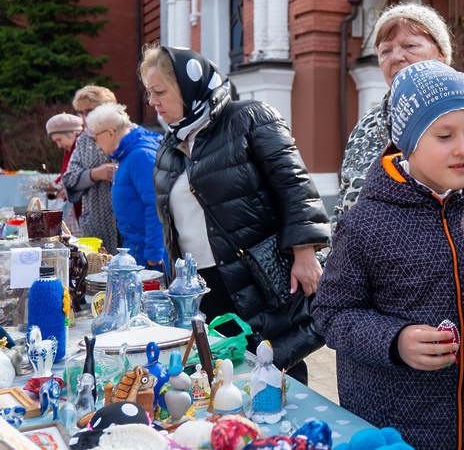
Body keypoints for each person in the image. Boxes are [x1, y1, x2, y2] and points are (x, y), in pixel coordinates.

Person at [313, 60, 464, 450]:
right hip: (395, 428)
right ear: (409, 140)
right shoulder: (367, 222)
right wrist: (394, 340)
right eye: (444, 135)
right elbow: (330, 313)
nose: (463, 149)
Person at [140, 44, 329, 383]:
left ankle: (288, 434)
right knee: (218, 373)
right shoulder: (169, 147)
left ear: (187, 86)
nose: (152, 101)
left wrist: (305, 254)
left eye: (159, 91)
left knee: (276, 367)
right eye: (149, 93)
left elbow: (295, 186)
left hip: (257, 274)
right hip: (202, 287)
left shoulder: (249, 118)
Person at [333, 2, 464, 231]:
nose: (396, 57)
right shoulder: (368, 125)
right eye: (385, 51)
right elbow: (343, 208)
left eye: (409, 45)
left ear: (441, 55)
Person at [85, 103, 168, 273]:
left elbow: (156, 205)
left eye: (96, 138)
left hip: (146, 252)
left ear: (110, 133)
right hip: (137, 247)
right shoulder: (128, 155)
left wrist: (153, 253)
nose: (96, 144)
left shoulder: (139, 156)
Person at [62, 86, 122, 254]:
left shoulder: (126, 133)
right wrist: (95, 174)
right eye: (80, 113)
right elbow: (68, 179)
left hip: (126, 221)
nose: (84, 117)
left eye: (88, 111)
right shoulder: (83, 141)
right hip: (96, 222)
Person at [44, 112, 83, 215]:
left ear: (72, 132)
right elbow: (65, 173)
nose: (59, 145)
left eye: (59, 140)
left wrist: (70, 189)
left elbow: (89, 177)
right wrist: (54, 186)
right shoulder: (69, 149)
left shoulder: (84, 148)